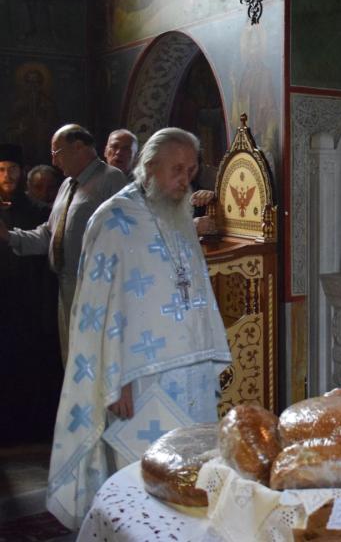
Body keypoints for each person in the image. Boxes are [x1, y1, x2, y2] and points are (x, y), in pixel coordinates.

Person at [47, 127, 232, 529]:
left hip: (192, 375)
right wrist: (113, 380)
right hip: (140, 380)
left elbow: (193, 288)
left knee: (194, 479)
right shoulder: (113, 220)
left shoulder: (179, 215)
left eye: (191, 170)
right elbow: (97, 308)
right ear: (149, 168)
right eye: (176, 169)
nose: (185, 179)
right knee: (145, 483)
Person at [0, 124, 128, 364]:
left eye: (56, 153)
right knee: (72, 358)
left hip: (96, 289)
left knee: (96, 358)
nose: (54, 161)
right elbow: (49, 234)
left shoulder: (111, 179)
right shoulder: (68, 185)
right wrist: (9, 236)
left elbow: (125, 236)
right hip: (65, 286)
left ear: (78, 147)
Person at [0, 143, 62, 444]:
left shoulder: (39, 212)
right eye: (1, 169)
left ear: (21, 171)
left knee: (28, 372)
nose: (7, 175)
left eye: (12, 169)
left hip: (28, 308)